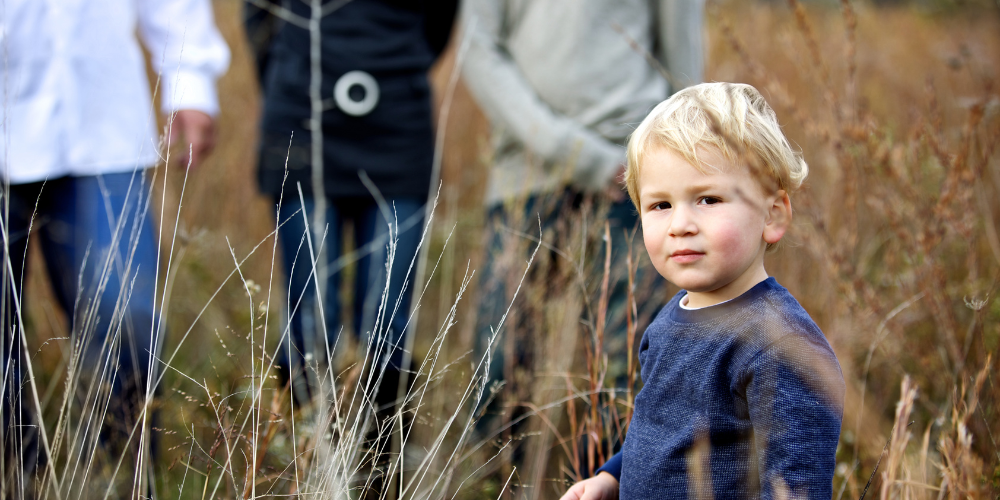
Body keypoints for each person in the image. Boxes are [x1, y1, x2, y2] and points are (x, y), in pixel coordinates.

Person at [559, 83, 846, 499]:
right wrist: (611, 478)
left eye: (708, 200)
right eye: (660, 205)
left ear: (772, 215)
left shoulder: (780, 344)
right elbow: (656, 429)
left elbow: (798, 483)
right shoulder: (670, 317)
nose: (680, 225)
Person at [459, 0, 705, 478]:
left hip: (630, 173)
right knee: (499, 363)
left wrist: (667, 165)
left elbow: (683, 66)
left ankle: (616, 483)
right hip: (525, 172)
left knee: (626, 365)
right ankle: (500, 484)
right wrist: (572, 151)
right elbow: (479, 48)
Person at [0, 0, 229, 487]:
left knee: (126, 312)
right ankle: (19, 475)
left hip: (103, 122)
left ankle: (116, 476)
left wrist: (189, 77)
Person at [246, 0, 457, 411]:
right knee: (309, 321)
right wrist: (295, 73)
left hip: (398, 122)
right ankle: (306, 447)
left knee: (386, 323)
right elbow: (260, 19)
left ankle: (377, 451)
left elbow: (439, 20)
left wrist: (394, 60)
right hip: (302, 116)